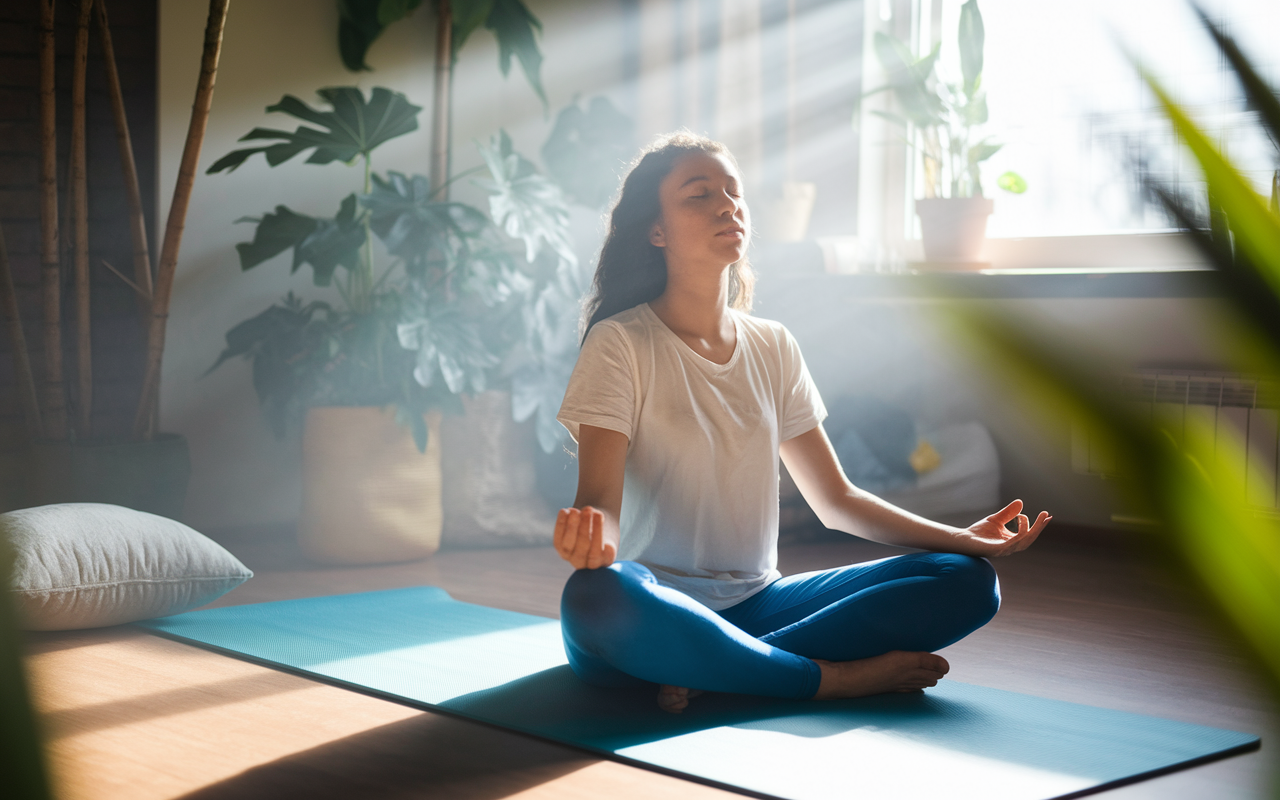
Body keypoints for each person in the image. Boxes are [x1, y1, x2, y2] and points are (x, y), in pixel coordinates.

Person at [553, 131, 1050, 714]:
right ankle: (828, 679)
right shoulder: (620, 343)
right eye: (698, 194)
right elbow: (601, 512)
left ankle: (716, 669)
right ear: (655, 231)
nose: (727, 205)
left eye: (733, 192)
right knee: (596, 596)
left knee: (967, 581)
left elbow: (836, 499)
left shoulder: (773, 345)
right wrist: (589, 543)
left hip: (760, 603)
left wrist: (962, 539)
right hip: (652, 602)